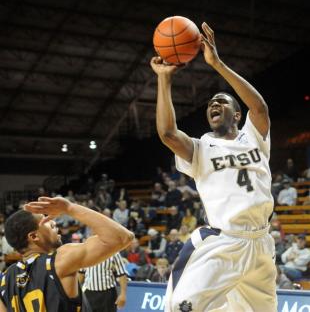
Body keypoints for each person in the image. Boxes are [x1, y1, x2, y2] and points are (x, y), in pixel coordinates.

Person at [151, 21, 277, 311]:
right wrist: (164, 79)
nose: (214, 105)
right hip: (223, 242)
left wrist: (216, 63)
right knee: (180, 306)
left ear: (237, 115)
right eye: (210, 104)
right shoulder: (200, 146)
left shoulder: (254, 137)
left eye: (222, 101)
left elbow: (259, 108)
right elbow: (168, 134)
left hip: (261, 243)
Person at [0, 196, 134, 311]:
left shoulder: (5, 279)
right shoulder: (59, 260)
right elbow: (122, 237)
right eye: (45, 220)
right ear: (34, 236)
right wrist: (69, 208)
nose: (52, 221)